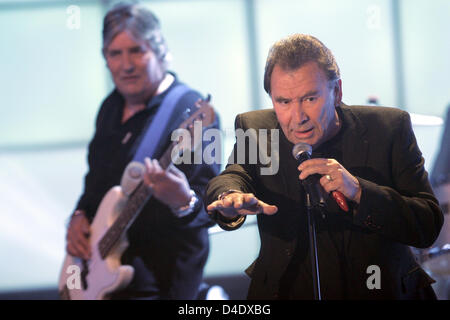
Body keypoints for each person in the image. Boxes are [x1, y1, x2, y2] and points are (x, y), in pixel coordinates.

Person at [206, 34, 443, 299]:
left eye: (310, 99)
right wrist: (229, 196)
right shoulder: (257, 130)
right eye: (283, 101)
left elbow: (428, 224)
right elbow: (233, 175)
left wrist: (360, 191)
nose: (298, 117)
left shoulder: (388, 128)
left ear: (337, 92)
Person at [65, 2, 220, 300]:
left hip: (163, 283)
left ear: (159, 51)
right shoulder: (110, 108)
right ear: (105, 58)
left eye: (137, 50)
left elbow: (212, 204)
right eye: (115, 53)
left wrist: (183, 201)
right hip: (101, 276)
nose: (126, 65)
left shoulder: (192, 111)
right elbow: (95, 183)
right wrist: (79, 214)